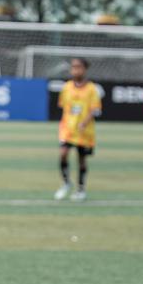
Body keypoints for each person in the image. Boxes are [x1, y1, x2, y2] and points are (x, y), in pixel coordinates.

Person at [54, 57, 101, 202]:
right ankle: (66, 183)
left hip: (84, 131)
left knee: (81, 160)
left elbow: (95, 110)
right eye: (73, 67)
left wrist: (84, 122)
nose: (75, 70)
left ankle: (81, 189)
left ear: (85, 69)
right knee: (63, 154)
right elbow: (63, 106)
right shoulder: (67, 87)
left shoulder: (92, 89)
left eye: (78, 67)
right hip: (68, 130)